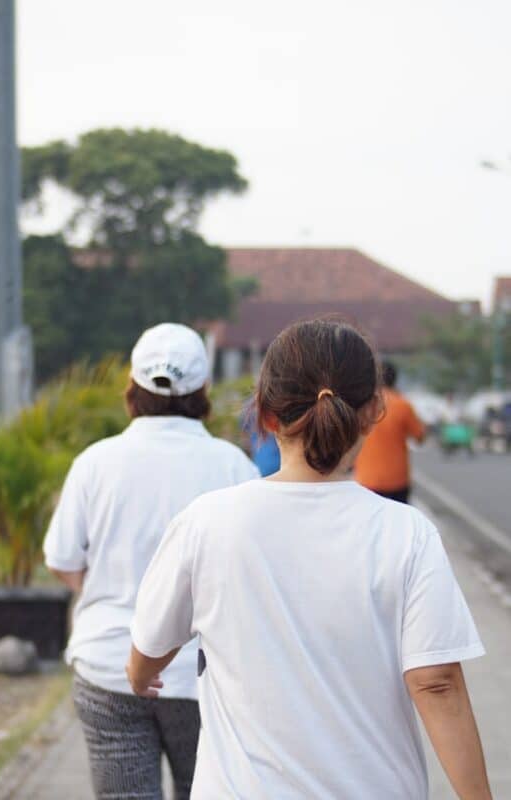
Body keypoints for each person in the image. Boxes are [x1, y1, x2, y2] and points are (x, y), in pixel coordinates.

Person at [128, 318, 491, 800]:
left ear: (265, 414)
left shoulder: (207, 521)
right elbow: (436, 683)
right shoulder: (408, 533)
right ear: (373, 412)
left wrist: (141, 677)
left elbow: (150, 646)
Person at [43, 323, 258, 800]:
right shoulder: (232, 467)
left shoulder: (95, 463)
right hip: (201, 675)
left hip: (107, 665)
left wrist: (109, 587)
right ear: (203, 389)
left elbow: (62, 560)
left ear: (132, 387)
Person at [355, 359, 425, 503]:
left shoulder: (362, 405)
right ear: (395, 379)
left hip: (367, 479)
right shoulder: (403, 405)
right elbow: (419, 436)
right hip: (397, 480)